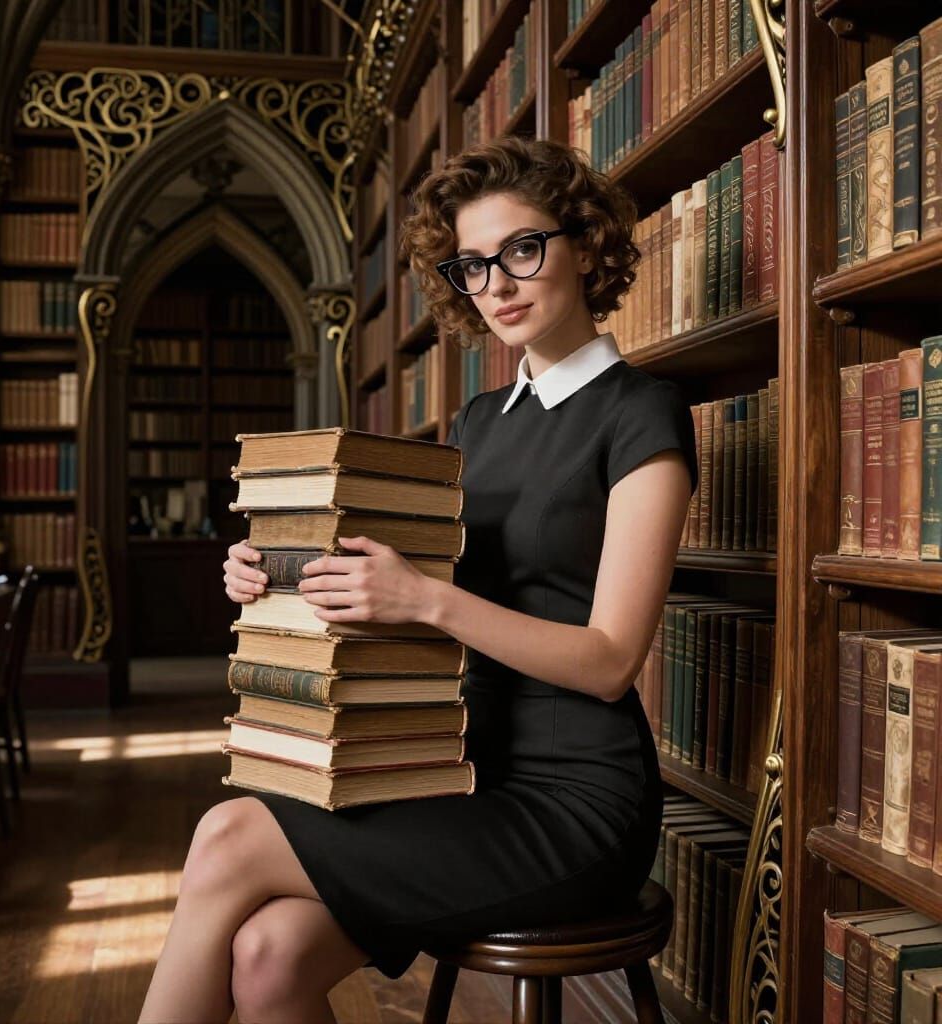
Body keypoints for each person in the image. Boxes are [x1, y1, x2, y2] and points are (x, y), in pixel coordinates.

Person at [138, 135, 698, 1024]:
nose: (499, 286)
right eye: (473, 266)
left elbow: (608, 661)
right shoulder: (478, 422)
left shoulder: (642, 414)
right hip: (456, 768)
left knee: (226, 836)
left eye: (522, 250)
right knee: (268, 955)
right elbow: (387, 581)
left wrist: (425, 599)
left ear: (586, 246)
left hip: (577, 804)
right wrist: (274, 575)